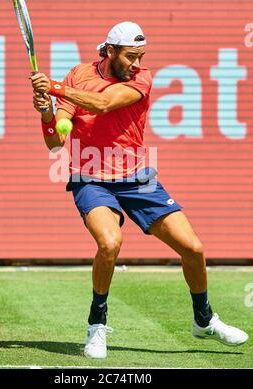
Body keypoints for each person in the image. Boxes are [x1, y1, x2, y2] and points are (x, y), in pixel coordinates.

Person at [30, 22, 248, 359]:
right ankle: (96, 324)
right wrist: (46, 110)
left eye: (141, 56)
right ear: (110, 51)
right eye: (131, 56)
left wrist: (55, 87)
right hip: (91, 177)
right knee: (109, 242)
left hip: (137, 178)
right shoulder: (79, 74)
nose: (137, 63)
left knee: (193, 248)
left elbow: (103, 104)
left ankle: (204, 320)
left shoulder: (141, 79)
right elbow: (56, 141)